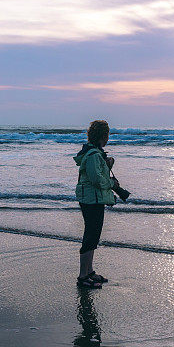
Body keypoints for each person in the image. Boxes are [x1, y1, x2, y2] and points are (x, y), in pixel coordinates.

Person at [73, 119, 118, 288]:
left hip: (92, 199)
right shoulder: (93, 155)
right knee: (91, 236)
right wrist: (112, 184)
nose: (108, 138)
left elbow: (97, 175)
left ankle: (89, 271)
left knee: (93, 235)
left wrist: (106, 164)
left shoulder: (94, 153)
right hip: (91, 200)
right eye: (107, 135)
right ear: (103, 136)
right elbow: (96, 179)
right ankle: (83, 276)